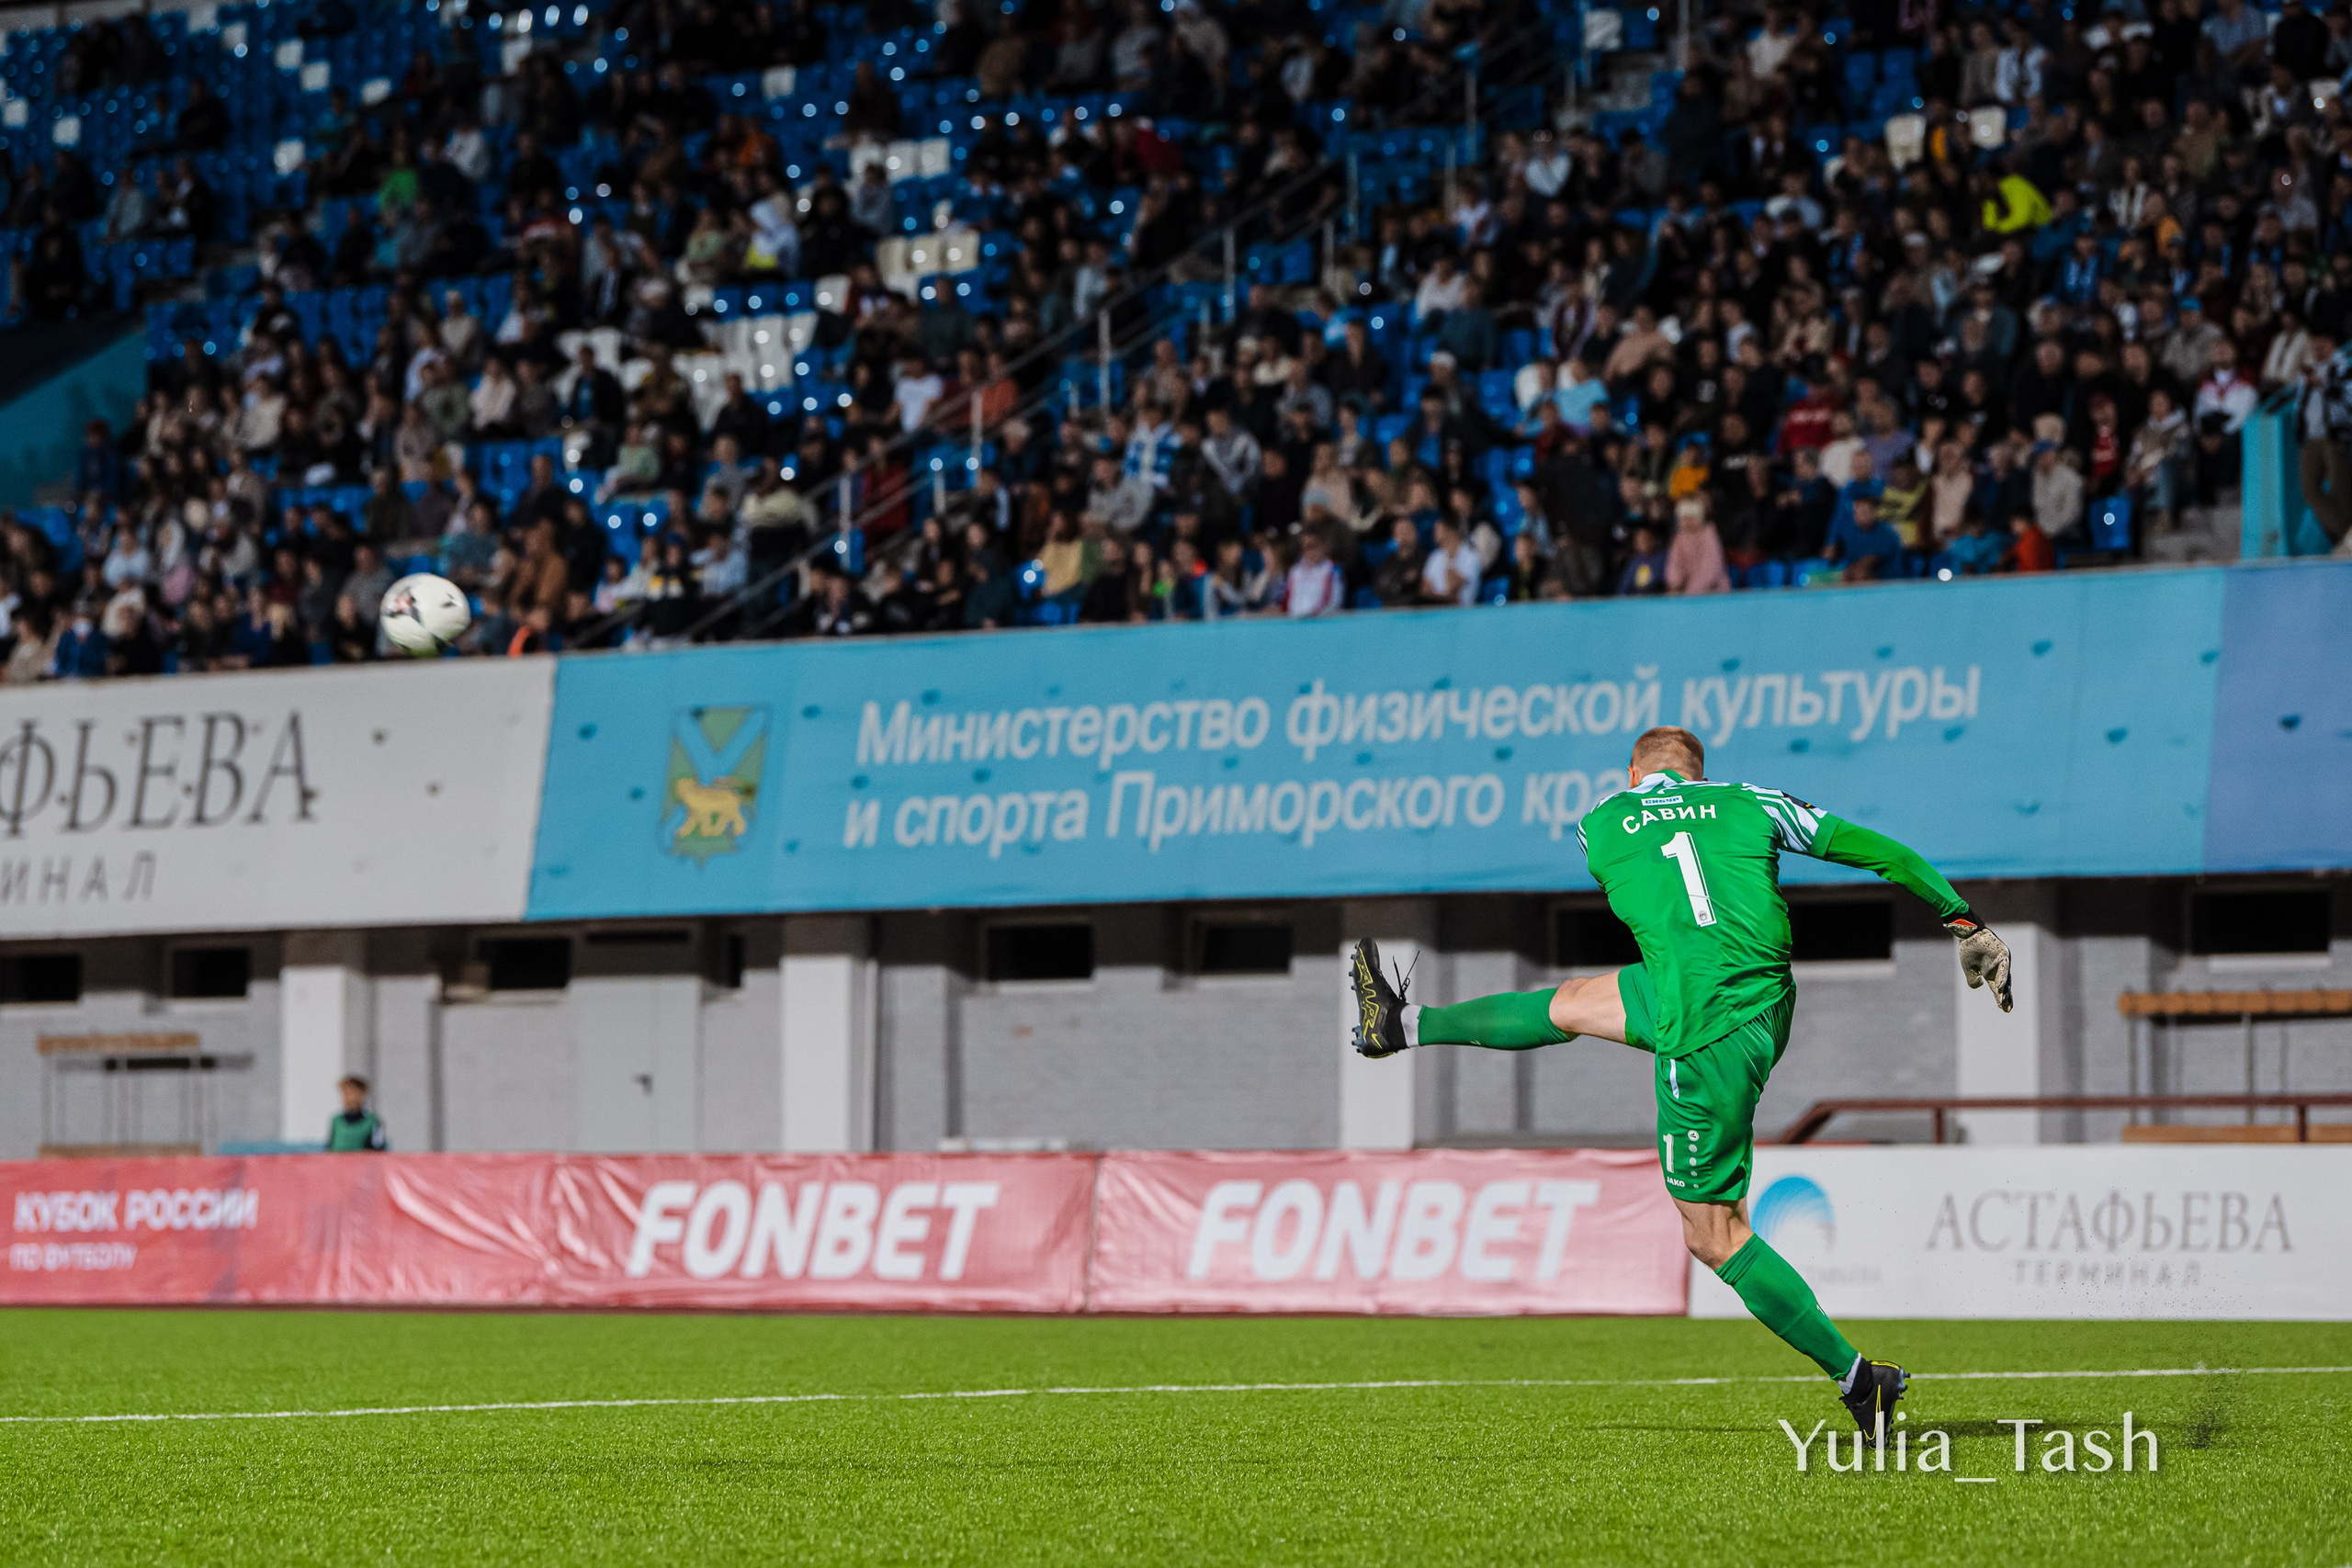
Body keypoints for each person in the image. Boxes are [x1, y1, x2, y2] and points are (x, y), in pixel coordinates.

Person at [1347, 725, 2015, 1442]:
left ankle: (1860, 1381)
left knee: (1715, 1234)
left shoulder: (1600, 822)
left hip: (1702, 1030)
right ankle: (1401, 1022)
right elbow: (1879, 850)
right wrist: (1963, 917)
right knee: (1571, 1002)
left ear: (1632, 770)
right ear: (1700, 771)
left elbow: (1642, 881)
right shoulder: (1750, 801)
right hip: (1759, 998)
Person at [325, 1075, 389, 1151]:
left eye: (354, 1093)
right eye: (346, 1094)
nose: (350, 1098)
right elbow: (330, 1148)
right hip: (338, 1162)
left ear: (363, 1095)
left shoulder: (373, 1122)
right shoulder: (335, 1121)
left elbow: (378, 1148)